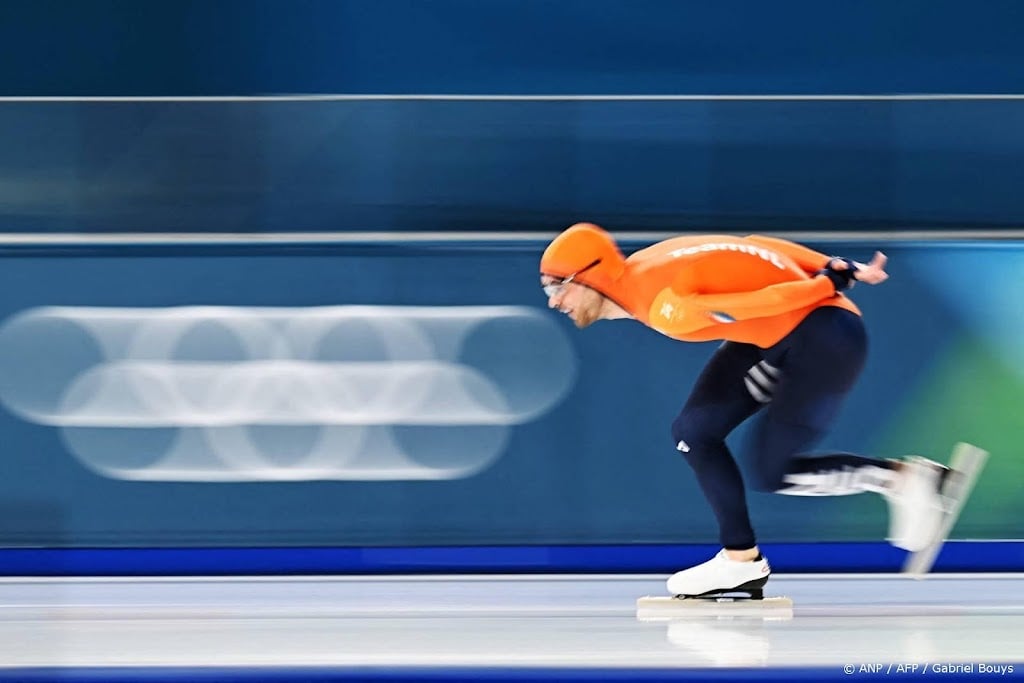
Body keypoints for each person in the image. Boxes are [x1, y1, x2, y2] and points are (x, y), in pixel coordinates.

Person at [539, 222, 951, 599]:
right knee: (694, 432)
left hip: (824, 337)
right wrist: (831, 265)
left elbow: (765, 300)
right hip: (777, 332)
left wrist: (827, 283)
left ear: (591, 275)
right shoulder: (644, 264)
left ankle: (906, 479)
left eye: (559, 286)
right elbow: (753, 245)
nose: (555, 301)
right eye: (548, 290)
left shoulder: (665, 307)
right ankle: (741, 562)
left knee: (772, 472)